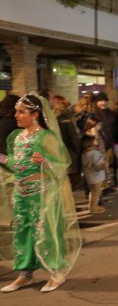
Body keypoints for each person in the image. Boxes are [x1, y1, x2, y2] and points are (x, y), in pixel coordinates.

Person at [0, 93, 81, 293]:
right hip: (21, 193)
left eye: (21, 112)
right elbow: (15, 164)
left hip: (43, 194)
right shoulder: (16, 137)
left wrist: (46, 162)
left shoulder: (46, 137)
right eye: (16, 112)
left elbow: (62, 165)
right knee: (22, 234)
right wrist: (1, 159)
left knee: (47, 233)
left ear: (35, 114)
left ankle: (56, 272)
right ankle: (25, 274)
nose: (16, 116)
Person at [81, 134, 106, 213]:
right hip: (97, 177)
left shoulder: (84, 154)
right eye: (94, 140)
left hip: (90, 177)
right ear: (90, 143)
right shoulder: (94, 153)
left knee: (92, 192)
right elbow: (97, 166)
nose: (96, 141)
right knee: (96, 193)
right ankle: (94, 208)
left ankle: (92, 207)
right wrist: (104, 164)